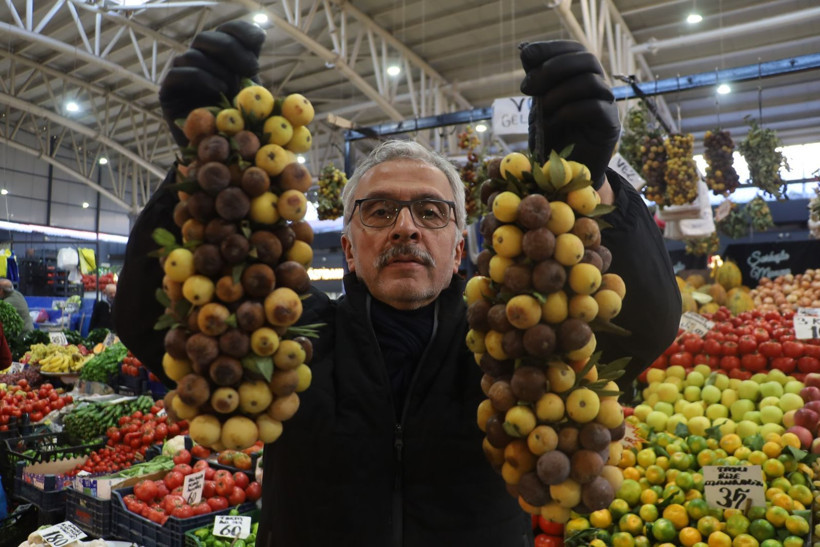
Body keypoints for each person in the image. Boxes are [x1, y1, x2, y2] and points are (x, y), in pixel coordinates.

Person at [115, 21, 680, 547]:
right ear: (351, 249)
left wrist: (594, 183)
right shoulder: (293, 335)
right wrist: (200, 175)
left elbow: (641, 326)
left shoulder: (513, 344)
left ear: (460, 247)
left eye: (431, 212)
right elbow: (153, 322)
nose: (406, 227)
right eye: (380, 211)